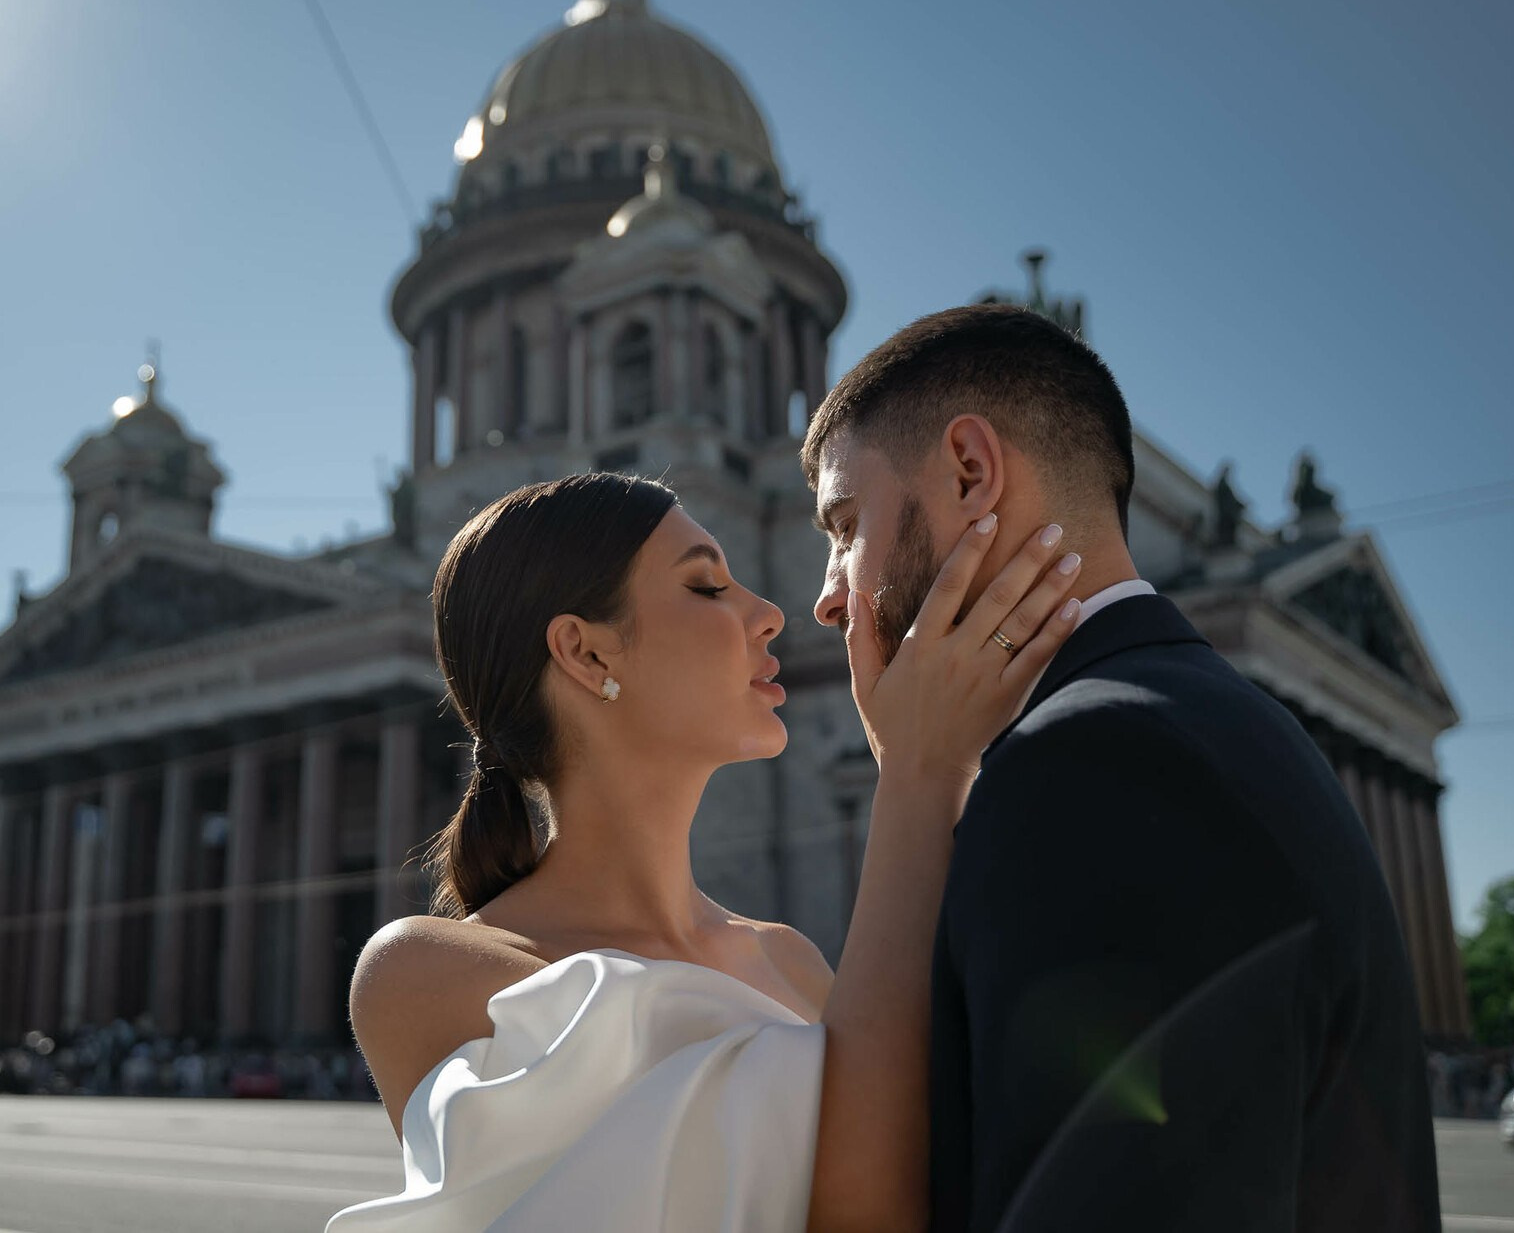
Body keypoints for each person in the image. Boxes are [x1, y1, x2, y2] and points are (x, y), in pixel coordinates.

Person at [800, 304, 1439, 1231]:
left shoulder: (1089, 765)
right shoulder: (1213, 719)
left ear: (971, 472)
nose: (827, 597)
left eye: (844, 526)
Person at [331, 470, 1080, 1231]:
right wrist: (921, 773)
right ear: (587, 655)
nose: (770, 615)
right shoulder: (427, 974)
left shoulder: (790, 959)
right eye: (707, 586)